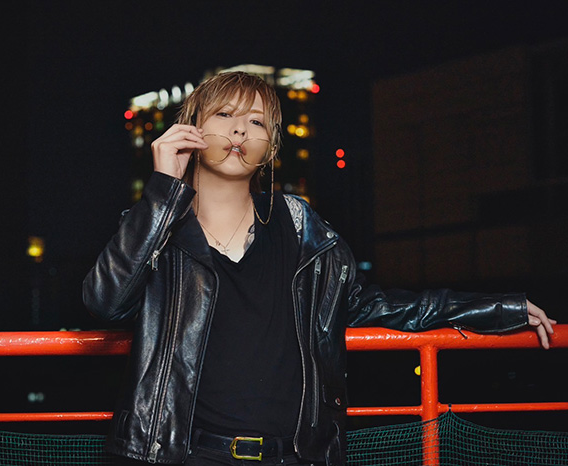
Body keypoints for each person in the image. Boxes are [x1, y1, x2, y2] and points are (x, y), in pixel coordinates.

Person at [83, 71, 556, 466]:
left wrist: (498, 308)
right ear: (192, 130)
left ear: (271, 146)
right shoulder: (155, 227)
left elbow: (376, 305)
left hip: (295, 457)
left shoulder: (300, 227)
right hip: (181, 456)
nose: (239, 131)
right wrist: (163, 188)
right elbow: (104, 303)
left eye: (256, 121)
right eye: (224, 115)